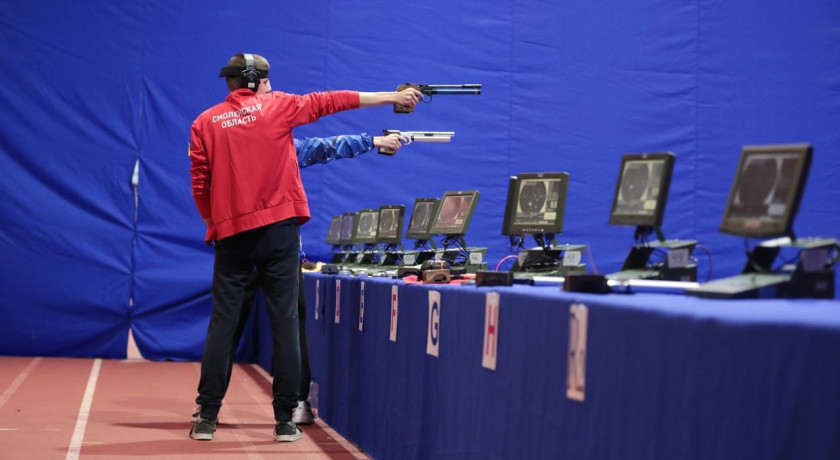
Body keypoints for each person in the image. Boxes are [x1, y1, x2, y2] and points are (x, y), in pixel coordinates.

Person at [188, 52, 421, 442]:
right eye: (268, 80)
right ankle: (285, 420)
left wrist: (215, 224)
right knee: (285, 324)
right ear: (257, 80)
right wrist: (391, 99)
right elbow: (334, 100)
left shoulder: (204, 122)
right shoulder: (280, 108)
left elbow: (200, 183)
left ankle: (207, 417)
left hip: (231, 237)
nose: (272, 86)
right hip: (278, 234)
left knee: (222, 326)